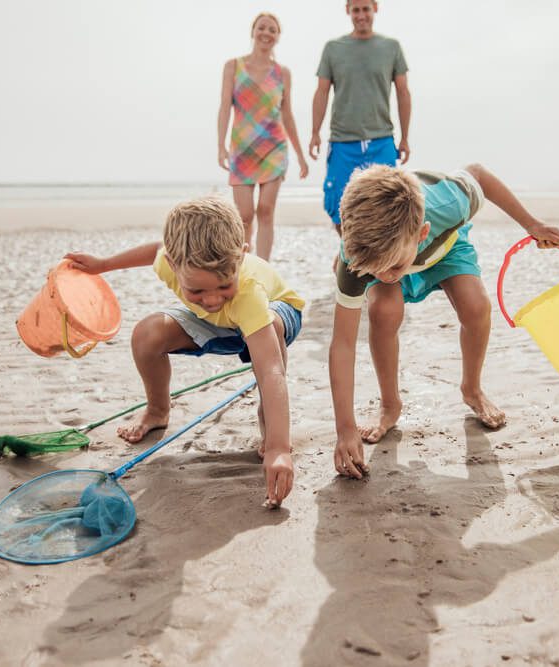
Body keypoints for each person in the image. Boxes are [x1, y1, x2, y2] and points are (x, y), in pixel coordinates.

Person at [328, 164, 559, 479]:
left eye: (393, 268)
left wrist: (532, 225)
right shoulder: (357, 259)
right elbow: (342, 344)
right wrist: (345, 429)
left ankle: (472, 389)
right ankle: (390, 405)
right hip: (385, 251)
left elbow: (478, 174)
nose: (385, 276)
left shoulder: (451, 203)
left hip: (444, 249)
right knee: (384, 311)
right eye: (377, 270)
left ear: (422, 232)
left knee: (476, 306)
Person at [64, 197, 304, 507]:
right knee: (147, 334)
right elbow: (154, 251)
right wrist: (103, 265)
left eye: (223, 286)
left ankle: (269, 427)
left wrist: (279, 448)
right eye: (197, 291)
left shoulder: (248, 291)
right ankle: (157, 410)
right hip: (218, 326)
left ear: (241, 258)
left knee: (268, 330)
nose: (213, 298)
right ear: (173, 265)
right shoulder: (169, 261)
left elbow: (271, 371)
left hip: (274, 315)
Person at [308, 0, 411, 233]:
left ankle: (379, 264)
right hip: (343, 141)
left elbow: (403, 92)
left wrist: (404, 137)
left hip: (381, 139)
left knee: (387, 207)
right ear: (348, 11)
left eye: (366, 9)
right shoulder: (333, 48)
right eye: (356, 9)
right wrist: (315, 132)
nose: (361, 15)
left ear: (375, 8)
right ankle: (350, 256)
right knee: (338, 206)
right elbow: (321, 92)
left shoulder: (391, 47)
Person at [217, 12, 308, 260]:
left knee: (266, 210)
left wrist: (300, 156)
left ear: (278, 37)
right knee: (244, 215)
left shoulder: (282, 73)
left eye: (272, 30)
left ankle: (264, 267)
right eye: (262, 28)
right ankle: (244, 262)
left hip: (273, 148)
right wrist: (221, 146)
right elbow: (225, 107)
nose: (266, 33)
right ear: (253, 31)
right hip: (242, 149)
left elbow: (287, 115)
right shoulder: (233, 67)